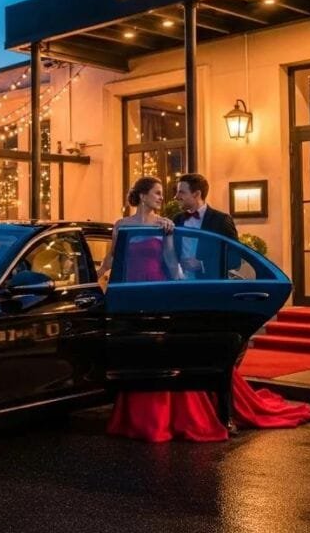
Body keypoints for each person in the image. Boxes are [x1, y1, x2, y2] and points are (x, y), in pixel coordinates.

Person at [172, 172, 310, 435]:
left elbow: (235, 260)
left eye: (181, 192)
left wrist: (203, 265)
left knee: (217, 355)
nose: (177, 196)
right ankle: (193, 412)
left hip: (211, 295)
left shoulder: (220, 221)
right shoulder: (175, 221)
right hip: (182, 293)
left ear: (196, 194)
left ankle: (223, 413)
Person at [98, 176, 230, 442]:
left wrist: (181, 287)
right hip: (131, 291)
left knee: (158, 348)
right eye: (157, 193)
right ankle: (133, 415)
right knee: (134, 349)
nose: (163, 197)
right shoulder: (121, 225)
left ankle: (162, 415)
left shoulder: (165, 225)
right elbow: (113, 257)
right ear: (143, 195)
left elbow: (171, 260)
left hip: (157, 290)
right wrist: (97, 277)